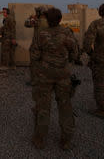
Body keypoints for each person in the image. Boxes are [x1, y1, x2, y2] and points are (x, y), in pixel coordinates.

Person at [30, 8, 78, 150]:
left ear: (46, 19)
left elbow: (34, 55)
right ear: (60, 19)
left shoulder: (41, 34)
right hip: (63, 75)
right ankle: (66, 141)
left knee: (43, 107)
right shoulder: (67, 33)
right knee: (65, 106)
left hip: (45, 75)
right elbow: (75, 54)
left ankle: (40, 139)